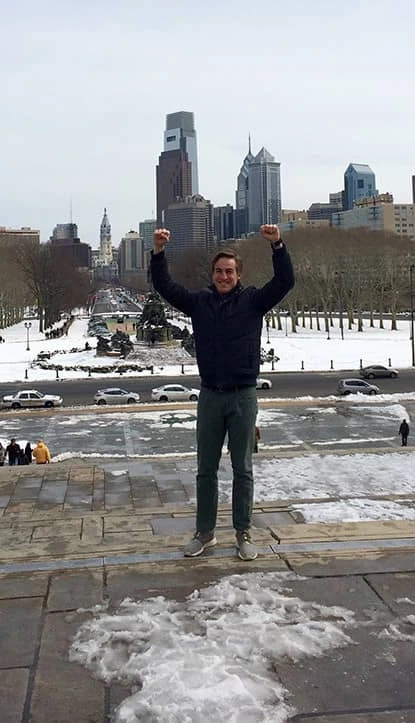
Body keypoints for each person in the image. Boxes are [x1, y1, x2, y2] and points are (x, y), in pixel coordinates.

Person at [150, 224, 295, 561]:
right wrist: (158, 252)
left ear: (238, 274)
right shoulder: (199, 302)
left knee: (242, 468)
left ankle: (243, 532)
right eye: (219, 271)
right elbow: (165, 286)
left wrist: (277, 246)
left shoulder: (254, 301)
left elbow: (285, 282)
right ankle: (205, 533)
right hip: (211, 396)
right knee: (205, 469)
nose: (224, 276)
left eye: (229, 271)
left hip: (243, 395)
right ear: (212, 274)